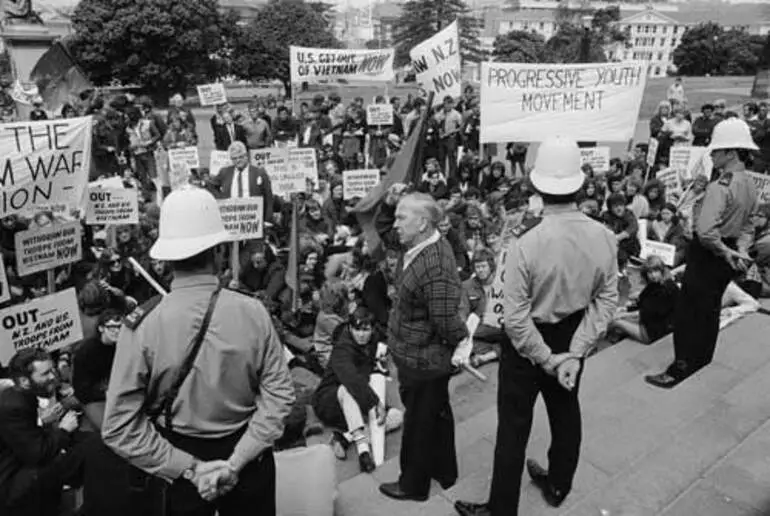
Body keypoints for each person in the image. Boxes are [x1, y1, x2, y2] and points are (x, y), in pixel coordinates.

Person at [101, 186, 295, 516]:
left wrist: (191, 469)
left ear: (166, 258)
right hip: (249, 458)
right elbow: (279, 397)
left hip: (177, 465)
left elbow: (119, 426)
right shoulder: (253, 313)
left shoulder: (143, 325)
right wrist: (236, 462)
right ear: (219, 251)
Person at [454, 136, 618, 516]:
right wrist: (573, 354)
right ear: (579, 184)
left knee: (513, 426)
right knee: (565, 412)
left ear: (537, 186)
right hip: (574, 332)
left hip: (529, 343)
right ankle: (559, 485)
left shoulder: (525, 243)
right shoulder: (605, 236)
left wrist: (547, 359)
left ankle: (502, 508)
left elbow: (514, 318)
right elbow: (606, 301)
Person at [645, 118, 759, 389]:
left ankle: (680, 366)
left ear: (731, 152)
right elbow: (750, 223)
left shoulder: (721, 186)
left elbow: (707, 231)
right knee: (709, 309)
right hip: (727, 253)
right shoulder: (750, 184)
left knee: (688, 312)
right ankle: (702, 358)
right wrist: (738, 251)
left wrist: (723, 249)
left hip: (708, 254)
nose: (711, 154)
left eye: (716, 150)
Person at [378, 192, 469, 502]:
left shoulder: (435, 265)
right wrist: (390, 202)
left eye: (402, 217)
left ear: (423, 223)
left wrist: (462, 340)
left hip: (423, 362)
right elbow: (382, 228)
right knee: (437, 414)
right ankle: (446, 471)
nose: (396, 224)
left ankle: (413, 484)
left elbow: (445, 319)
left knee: (418, 423)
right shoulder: (419, 244)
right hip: (418, 355)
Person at [0, 349, 86, 516]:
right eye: (45, 373)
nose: (53, 377)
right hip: (10, 484)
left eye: (52, 370)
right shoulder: (14, 406)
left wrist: (42, 423)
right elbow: (37, 453)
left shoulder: (21, 396)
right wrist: (64, 430)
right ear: (24, 381)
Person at [212, 141, 274, 223]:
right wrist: (222, 200)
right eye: (234, 158)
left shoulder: (259, 172)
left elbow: (269, 198)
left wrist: (267, 220)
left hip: (254, 220)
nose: (238, 160)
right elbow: (211, 186)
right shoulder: (225, 172)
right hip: (232, 220)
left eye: (240, 157)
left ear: (246, 156)